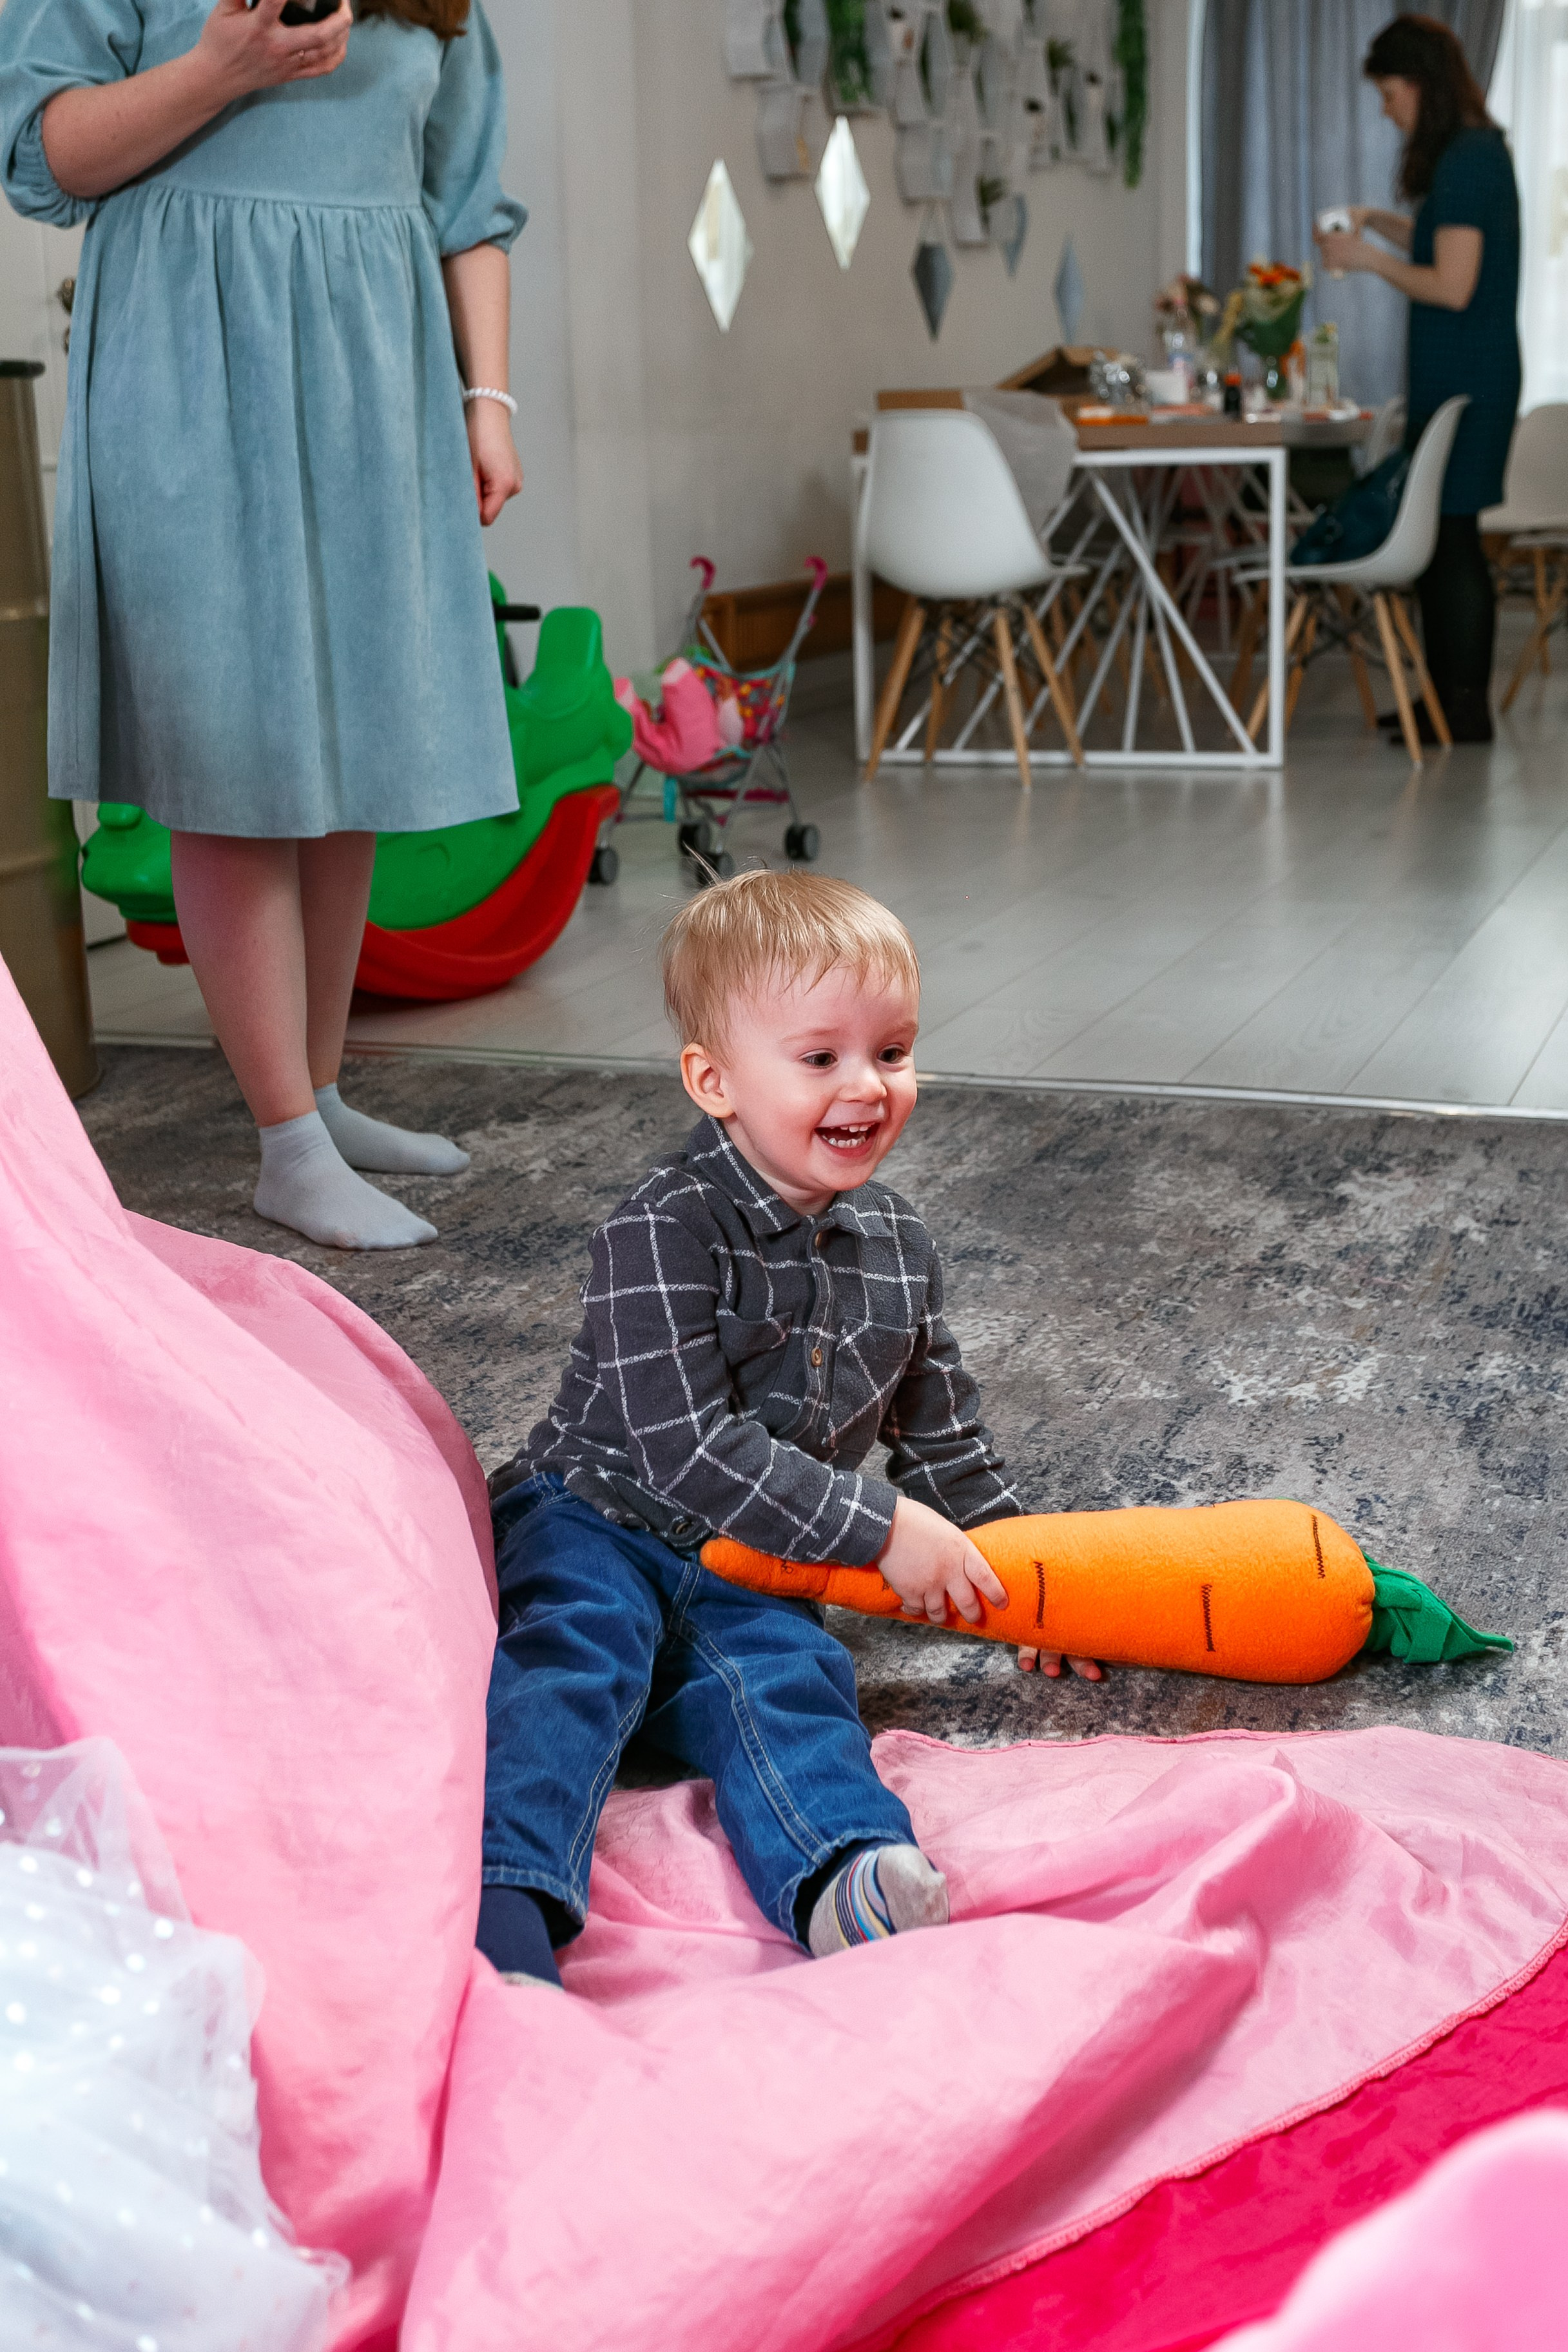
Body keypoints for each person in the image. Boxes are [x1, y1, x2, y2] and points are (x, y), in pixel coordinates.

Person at [477, 871, 1101, 1990]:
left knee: (793, 1676)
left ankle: (842, 1873)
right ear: (712, 1080)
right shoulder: (658, 1230)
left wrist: (1028, 1574)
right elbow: (685, 1447)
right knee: (572, 1655)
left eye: (893, 1051)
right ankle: (506, 1897)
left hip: (764, 1558)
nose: (866, 1085)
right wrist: (880, 1529)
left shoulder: (899, 1243)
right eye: (819, 1057)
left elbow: (943, 1436)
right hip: (598, 1513)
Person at [0, 0, 526, 1247]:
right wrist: (222, 68)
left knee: (345, 754)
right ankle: (286, 1146)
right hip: (186, 369)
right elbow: (46, 157)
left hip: (375, 382)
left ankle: (321, 1094)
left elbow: (469, 204)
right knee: (227, 753)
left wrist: (488, 398)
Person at [1316, 14, 1520, 746]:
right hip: (1466, 373)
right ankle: (1446, 704)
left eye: (1390, 93)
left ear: (1421, 86)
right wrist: (1379, 224)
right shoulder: (1474, 155)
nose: (1386, 109)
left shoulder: (1467, 160)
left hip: (1468, 376)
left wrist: (1367, 260)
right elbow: (1442, 244)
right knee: (1445, 538)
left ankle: (1459, 712)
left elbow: (1452, 284)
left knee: (1453, 540)